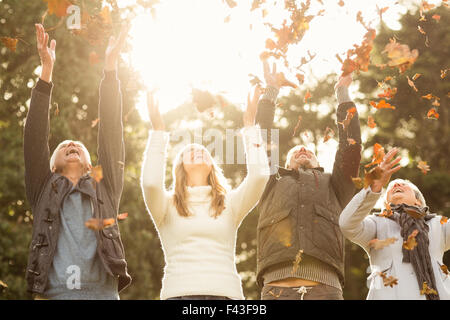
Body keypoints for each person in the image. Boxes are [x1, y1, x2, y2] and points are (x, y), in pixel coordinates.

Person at [24, 24, 131, 299]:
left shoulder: (104, 187)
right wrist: (46, 73)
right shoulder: (43, 188)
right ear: (52, 167)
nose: (71, 144)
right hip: (55, 295)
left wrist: (110, 69)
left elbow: (111, 131)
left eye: (78, 146)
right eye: (63, 146)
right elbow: (35, 136)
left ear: (88, 165)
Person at [140, 87, 270, 300]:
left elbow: (259, 175)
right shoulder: (166, 205)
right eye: (189, 151)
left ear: (211, 165)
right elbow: (151, 183)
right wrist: (158, 131)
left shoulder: (230, 204)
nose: (197, 150)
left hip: (226, 295)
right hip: (178, 294)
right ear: (180, 166)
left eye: (203, 151)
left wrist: (249, 126)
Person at [255, 61, 362, 300]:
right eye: (295, 151)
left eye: (308, 151)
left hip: (326, 289)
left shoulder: (335, 184)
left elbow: (350, 146)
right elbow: (259, 139)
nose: (302, 149)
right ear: (285, 162)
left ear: (317, 162)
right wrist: (270, 91)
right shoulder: (269, 182)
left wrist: (342, 93)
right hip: (275, 290)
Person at [339, 148, 450, 300]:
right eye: (391, 187)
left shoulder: (438, 224)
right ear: (385, 203)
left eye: (404, 185)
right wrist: (374, 185)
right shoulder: (376, 224)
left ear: (418, 200)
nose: (397, 185)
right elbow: (346, 224)